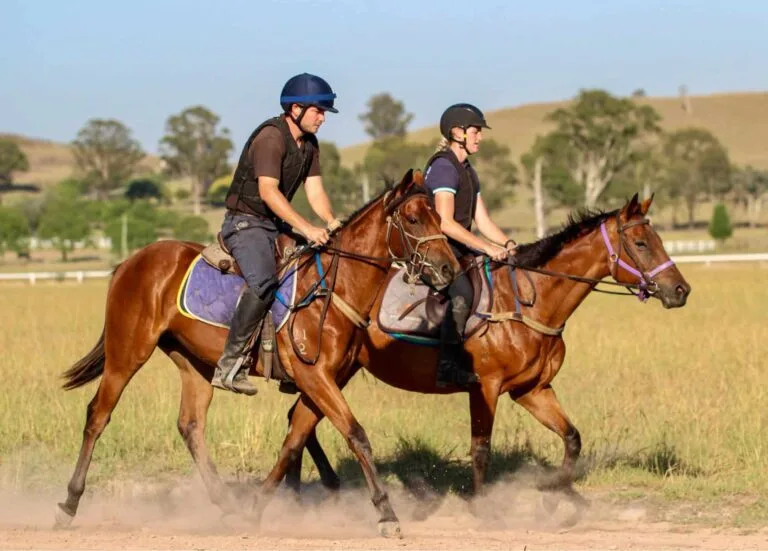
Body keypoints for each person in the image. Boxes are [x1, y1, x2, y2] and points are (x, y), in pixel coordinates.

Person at [212, 73, 342, 396]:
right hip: (245, 223)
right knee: (264, 282)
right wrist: (307, 228)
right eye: (318, 111)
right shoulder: (271, 137)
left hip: (274, 225)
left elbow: (315, 191)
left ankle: (288, 362)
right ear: (296, 108)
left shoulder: (309, 145)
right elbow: (269, 193)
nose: (322, 118)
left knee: (309, 274)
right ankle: (229, 364)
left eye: (324, 112)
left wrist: (330, 220)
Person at [424, 103, 517, 388]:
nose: (480, 137)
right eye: (475, 132)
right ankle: (447, 365)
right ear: (457, 132)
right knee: (462, 290)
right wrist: (487, 248)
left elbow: (483, 220)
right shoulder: (443, 167)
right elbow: (445, 223)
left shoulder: (467, 170)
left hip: (458, 247)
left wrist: (509, 244)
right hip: (436, 248)